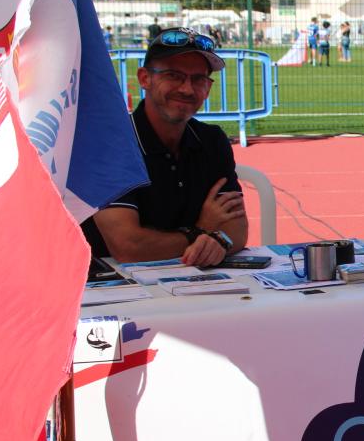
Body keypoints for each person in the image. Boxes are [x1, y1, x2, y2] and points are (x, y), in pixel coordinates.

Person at [81, 27, 247, 266]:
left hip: (194, 280)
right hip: (118, 285)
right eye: (173, 75)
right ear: (144, 78)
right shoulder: (110, 143)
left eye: (198, 79)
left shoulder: (212, 140)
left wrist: (219, 240)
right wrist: (201, 230)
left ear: (208, 88)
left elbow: (237, 229)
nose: (187, 89)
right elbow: (128, 247)